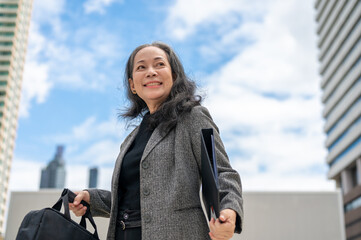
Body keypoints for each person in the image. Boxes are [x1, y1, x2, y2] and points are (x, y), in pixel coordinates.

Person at [69, 42, 244, 240]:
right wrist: (91, 198)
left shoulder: (193, 117)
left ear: (174, 76)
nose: (151, 72)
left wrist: (229, 210)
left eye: (159, 64)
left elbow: (222, 172)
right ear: (133, 85)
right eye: (141, 67)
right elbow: (141, 197)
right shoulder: (130, 140)